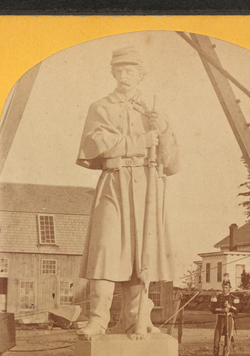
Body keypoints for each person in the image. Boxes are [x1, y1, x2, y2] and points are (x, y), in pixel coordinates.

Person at [76, 46, 180, 337]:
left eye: (130, 70)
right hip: (115, 180)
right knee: (107, 249)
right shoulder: (101, 107)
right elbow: (95, 142)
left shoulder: (153, 112)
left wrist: (165, 130)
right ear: (113, 73)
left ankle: (135, 318)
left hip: (147, 185)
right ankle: (98, 318)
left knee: (139, 254)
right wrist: (140, 141)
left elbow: (171, 163)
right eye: (119, 70)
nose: (124, 75)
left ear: (140, 74)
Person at [211, 275, 239, 356]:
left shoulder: (234, 298)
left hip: (229, 319)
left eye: (226, 287)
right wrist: (222, 310)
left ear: (230, 288)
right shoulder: (218, 297)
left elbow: (237, 310)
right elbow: (212, 309)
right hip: (220, 319)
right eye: (223, 287)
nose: (224, 289)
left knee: (227, 341)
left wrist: (230, 307)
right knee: (216, 340)